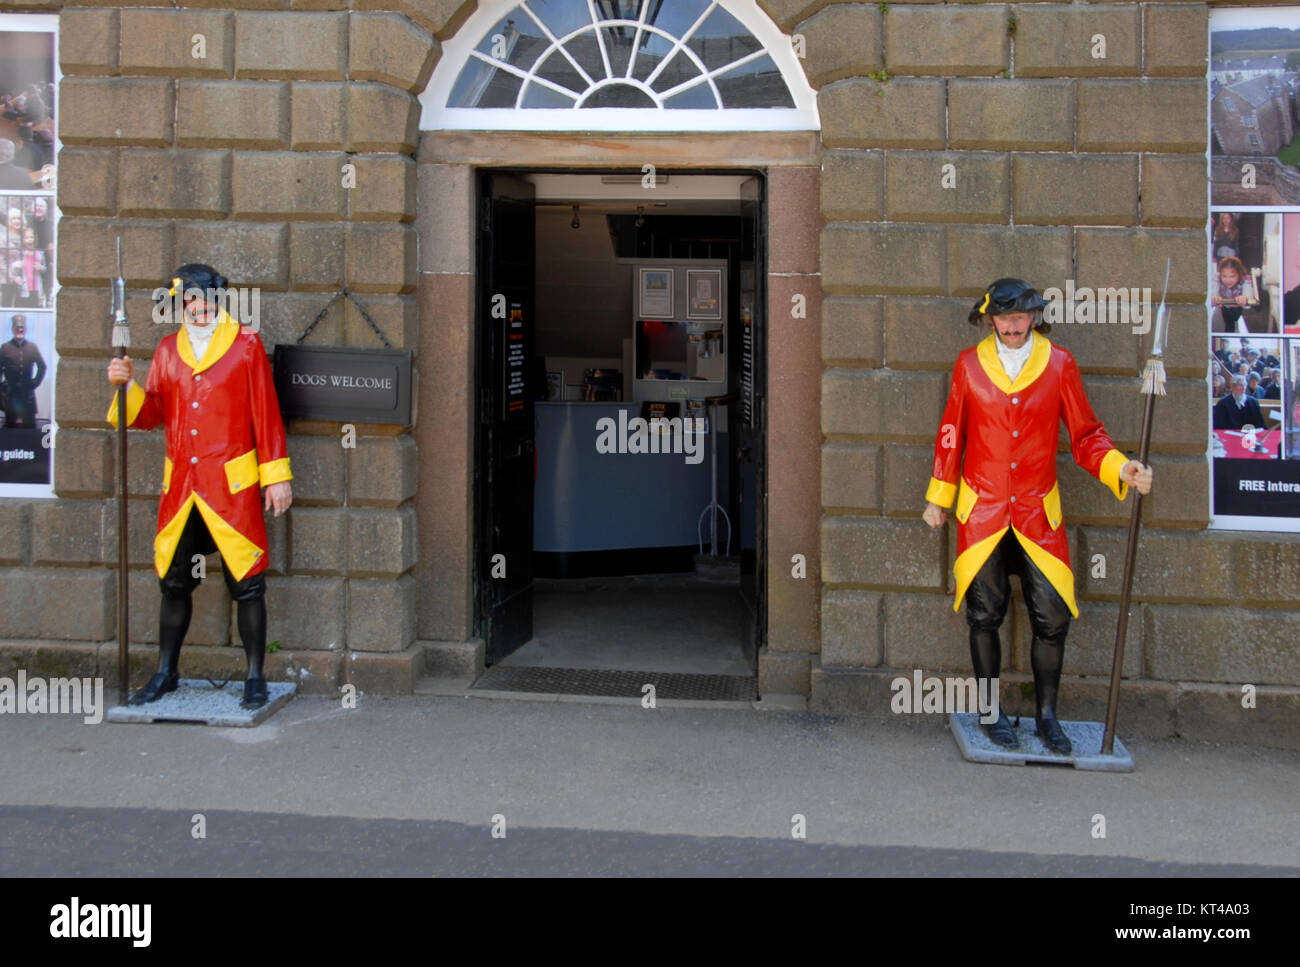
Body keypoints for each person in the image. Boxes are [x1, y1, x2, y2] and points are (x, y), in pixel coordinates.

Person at [923, 279, 1153, 754]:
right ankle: (989, 712)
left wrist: (1121, 467)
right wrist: (938, 498)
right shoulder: (968, 365)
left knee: (1051, 616)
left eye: (1019, 317)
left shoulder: (1060, 364)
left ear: (1033, 318)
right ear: (991, 320)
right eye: (1003, 318)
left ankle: (1047, 716)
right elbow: (952, 432)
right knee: (984, 614)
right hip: (982, 509)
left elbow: (1086, 435)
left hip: (1037, 511)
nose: (1011, 325)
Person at [106, 264, 293, 709]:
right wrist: (126, 385)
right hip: (184, 489)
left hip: (231, 488)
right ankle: (166, 672)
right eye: (189, 300)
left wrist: (277, 476)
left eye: (205, 298)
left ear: (218, 300)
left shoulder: (246, 345)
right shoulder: (168, 350)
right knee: (173, 583)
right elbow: (151, 414)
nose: (199, 307)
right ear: (180, 305)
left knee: (246, 584)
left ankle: (254, 676)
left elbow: (265, 414)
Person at [0, 313, 45, 427]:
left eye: (22, 327)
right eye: (17, 327)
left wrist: (34, 383)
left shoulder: (32, 347)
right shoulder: (5, 348)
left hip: (27, 394)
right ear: (12, 329)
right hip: (11, 395)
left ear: (25, 329)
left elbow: (42, 366)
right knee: (9, 427)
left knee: (30, 427)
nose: (20, 330)